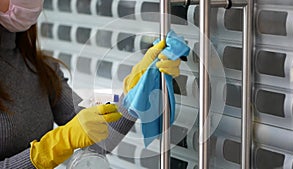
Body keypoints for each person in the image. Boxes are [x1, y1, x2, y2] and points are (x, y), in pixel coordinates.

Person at [0, 0, 185, 168]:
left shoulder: (40, 68)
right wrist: (57, 145)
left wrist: (137, 88)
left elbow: (97, 137)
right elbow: (69, 137)